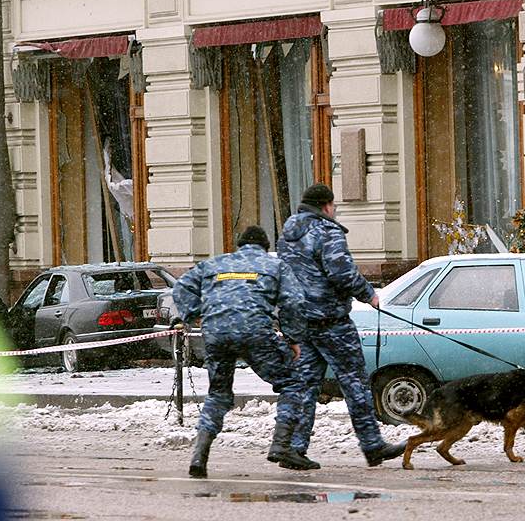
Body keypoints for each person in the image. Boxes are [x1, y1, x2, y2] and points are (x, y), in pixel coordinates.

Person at [277, 183, 406, 468]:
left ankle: (295, 448)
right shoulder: (327, 230)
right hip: (331, 321)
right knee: (355, 383)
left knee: (306, 386)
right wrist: (368, 294)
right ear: (326, 206)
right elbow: (342, 272)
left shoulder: (287, 236)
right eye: (333, 206)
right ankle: (372, 445)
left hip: (301, 321)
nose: (334, 211)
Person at [173, 225, 314, 478]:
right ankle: (281, 445)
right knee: (292, 385)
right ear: (265, 247)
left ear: (238, 245)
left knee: (218, 394)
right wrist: (293, 338)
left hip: (216, 334)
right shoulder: (276, 266)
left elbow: (181, 286)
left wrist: (193, 314)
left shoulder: (214, 264)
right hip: (255, 332)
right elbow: (294, 302)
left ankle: (199, 455)